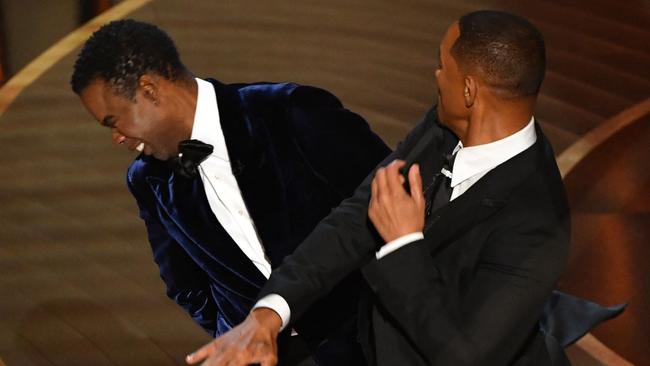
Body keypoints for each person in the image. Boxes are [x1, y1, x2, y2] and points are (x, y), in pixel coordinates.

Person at [185, 10, 622, 366]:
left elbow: (463, 355)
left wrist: (403, 244)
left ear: (469, 90)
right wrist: (270, 312)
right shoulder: (444, 125)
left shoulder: (538, 221)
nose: (435, 75)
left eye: (443, 65)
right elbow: (356, 217)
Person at [70, 19, 391, 365]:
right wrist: (240, 334)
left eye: (113, 121)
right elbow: (185, 286)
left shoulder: (290, 111)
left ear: (149, 90)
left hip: (371, 342)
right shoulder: (147, 180)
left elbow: (394, 201)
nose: (117, 137)